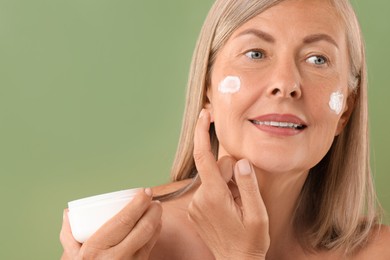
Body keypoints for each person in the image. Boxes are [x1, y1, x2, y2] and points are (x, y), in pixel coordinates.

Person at [60, 0, 390, 259]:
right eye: (256, 53)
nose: (286, 84)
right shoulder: (126, 243)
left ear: (346, 107)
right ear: (207, 89)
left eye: (317, 59)